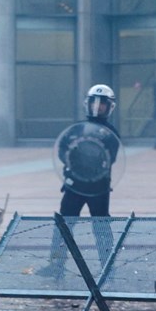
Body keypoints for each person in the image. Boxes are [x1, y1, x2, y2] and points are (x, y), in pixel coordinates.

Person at [59, 84, 121, 217]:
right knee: (64, 221)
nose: (97, 107)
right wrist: (69, 159)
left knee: (101, 224)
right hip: (74, 183)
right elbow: (62, 149)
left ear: (110, 107)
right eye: (94, 103)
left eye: (102, 104)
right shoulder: (76, 128)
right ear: (88, 104)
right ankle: (63, 239)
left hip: (98, 185)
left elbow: (111, 158)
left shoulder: (111, 133)